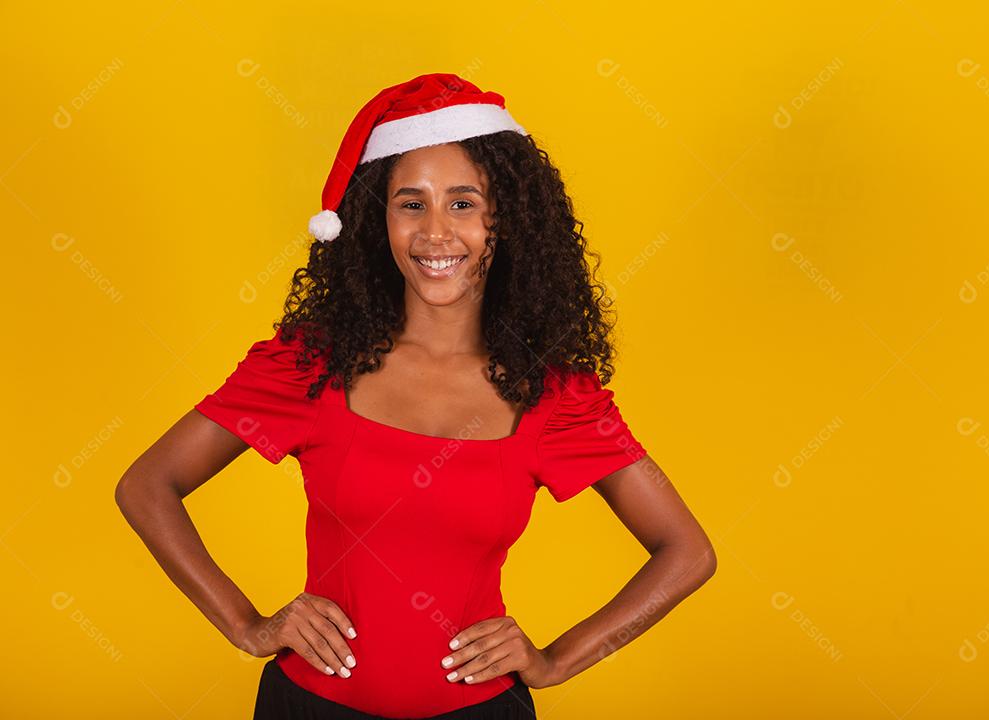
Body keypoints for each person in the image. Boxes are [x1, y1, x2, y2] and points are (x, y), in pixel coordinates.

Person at [115, 72, 716, 720]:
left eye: (462, 203)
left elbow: (687, 552)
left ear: (503, 220)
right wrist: (248, 625)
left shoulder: (554, 394)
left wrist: (554, 662)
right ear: (381, 220)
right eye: (411, 203)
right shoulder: (310, 364)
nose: (436, 232)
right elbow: (147, 485)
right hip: (310, 708)